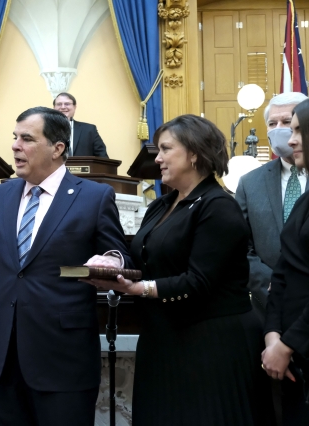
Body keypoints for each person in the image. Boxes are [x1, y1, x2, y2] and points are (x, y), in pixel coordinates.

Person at [0, 106, 130, 425]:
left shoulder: (94, 196)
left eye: (27, 139)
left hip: (63, 360)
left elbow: (120, 255)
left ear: (58, 148)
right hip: (2, 360)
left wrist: (111, 260)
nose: (16, 146)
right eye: (15, 137)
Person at [90, 114, 273, 425]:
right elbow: (145, 259)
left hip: (211, 346)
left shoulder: (218, 206)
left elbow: (199, 281)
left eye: (165, 149)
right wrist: (115, 265)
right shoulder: (161, 205)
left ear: (194, 153)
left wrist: (139, 288)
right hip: (164, 339)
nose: (157, 158)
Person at [235, 92, 308, 316]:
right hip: (266, 306)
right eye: (272, 123)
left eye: (287, 123)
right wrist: (271, 283)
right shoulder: (249, 183)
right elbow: (239, 246)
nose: (279, 129)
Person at [262, 98, 309, 425]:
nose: (290, 140)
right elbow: (283, 274)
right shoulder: (304, 201)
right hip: (293, 357)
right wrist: (273, 335)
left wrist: (288, 343)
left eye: (297, 131)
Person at [52, 92, 108, 158]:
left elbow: (103, 157)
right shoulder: (45, 129)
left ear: (74, 107)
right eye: (59, 104)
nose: (63, 107)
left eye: (67, 104)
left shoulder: (89, 130)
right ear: (54, 108)